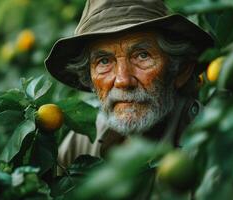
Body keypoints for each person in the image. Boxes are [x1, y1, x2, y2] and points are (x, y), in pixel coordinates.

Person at [44, 0, 214, 168]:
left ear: (181, 70)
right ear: (89, 77)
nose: (122, 80)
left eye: (142, 56)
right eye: (104, 61)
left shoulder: (210, 148)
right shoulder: (81, 144)